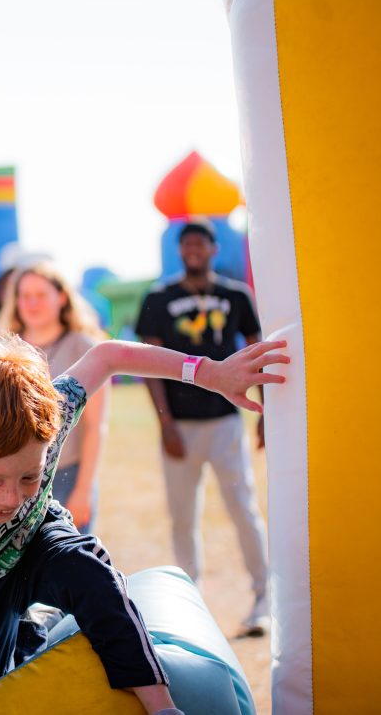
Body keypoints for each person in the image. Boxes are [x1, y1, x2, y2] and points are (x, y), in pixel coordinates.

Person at [0, 332, 288, 713]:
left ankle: (163, 706)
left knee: (88, 569)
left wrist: (207, 372)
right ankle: (30, 629)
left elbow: (108, 356)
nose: (8, 496)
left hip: (35, 539)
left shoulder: (51, 410)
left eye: (29, 474)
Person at [134, 218, 271, 636]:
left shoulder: (235, 294)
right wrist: (165, 423)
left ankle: (265, 597)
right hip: (180, 422)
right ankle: (188, 606)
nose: (193, 249)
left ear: (214, 249)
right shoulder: (160, 296)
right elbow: (149, 367)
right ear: (180, 250)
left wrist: (265, 412)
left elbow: (257, 351)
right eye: (186, 242)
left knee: (243, 508)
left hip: (225, 420)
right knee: (182, 515)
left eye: (201, 242)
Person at [0, 261, 107, 534]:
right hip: (15, 477)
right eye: (25, 296)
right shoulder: (4, 348)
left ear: (61, 297)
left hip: (67, 474)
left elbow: (95, 427)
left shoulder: (85, 347)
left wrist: (83, 490)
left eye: (41, 295)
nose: (32, 303)